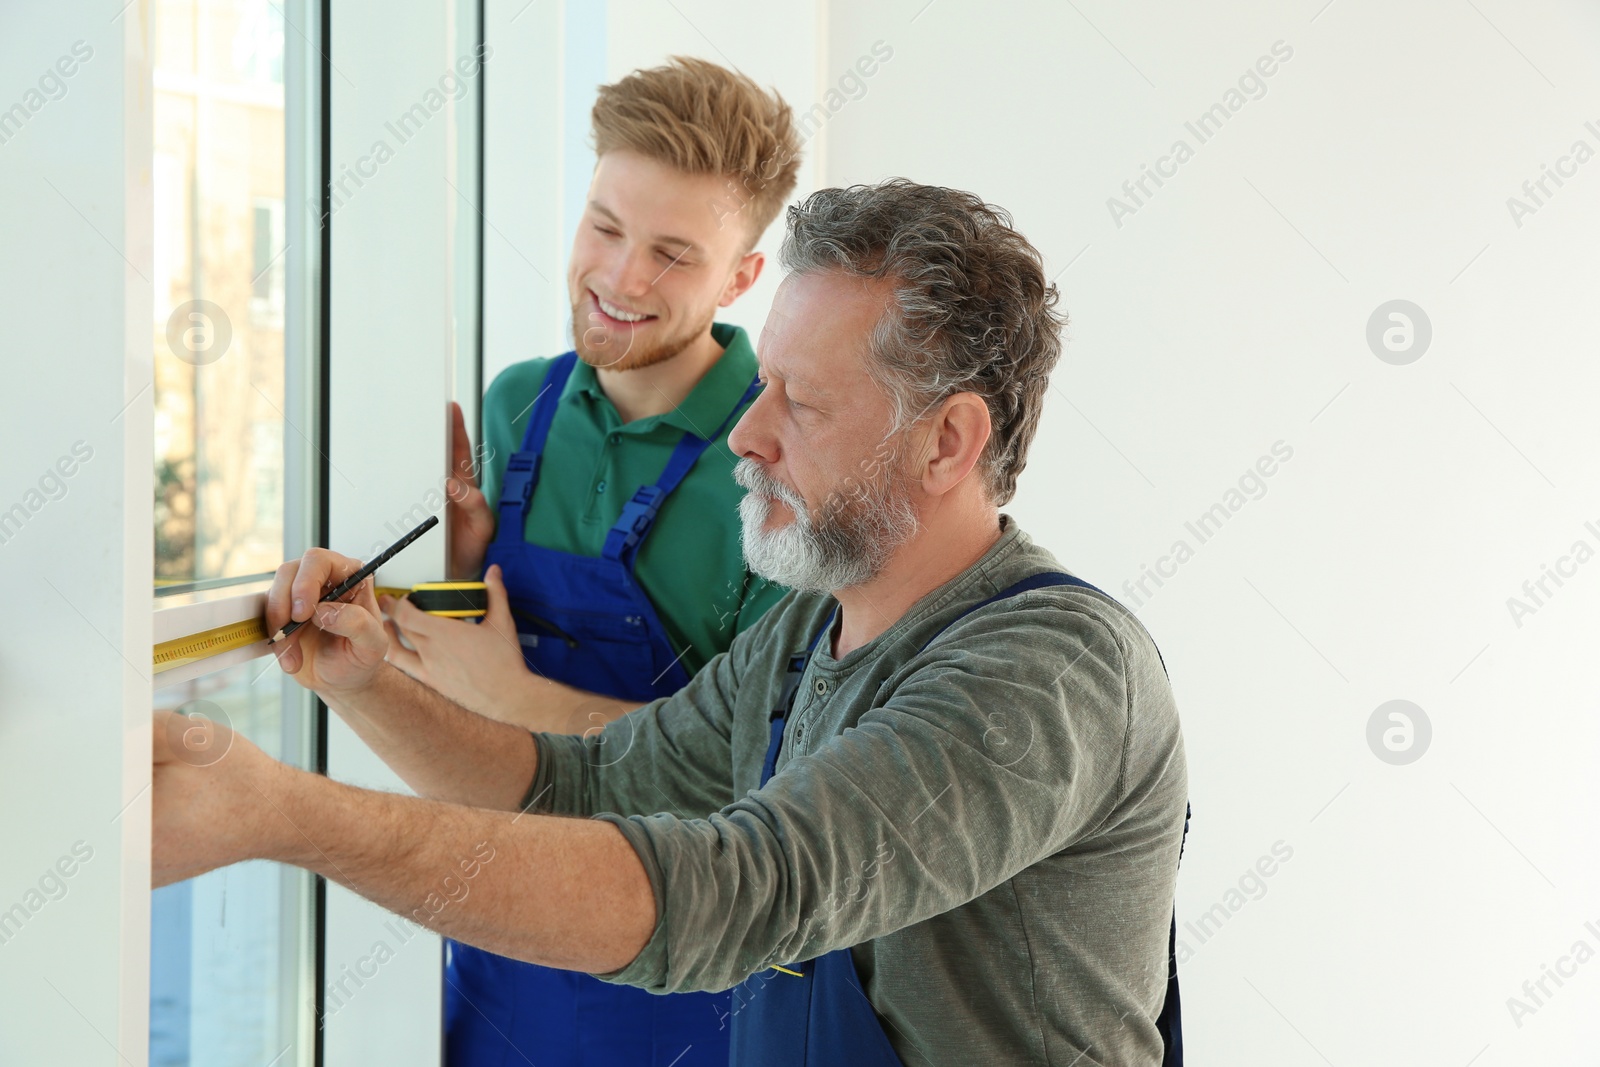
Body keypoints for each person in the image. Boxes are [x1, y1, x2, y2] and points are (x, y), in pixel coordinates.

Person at [153, 179, 1189, 1065]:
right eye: (762, 384)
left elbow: (741, 888)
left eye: (803, 402)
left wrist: (277, 813)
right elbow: (581, 786)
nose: (749, 430)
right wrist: (365, 682)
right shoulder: (803, 639)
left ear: (948, 440)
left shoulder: (1047, 671)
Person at [378, 57, 801, 1067]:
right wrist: (459, 566)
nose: (620, 279)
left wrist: (515, 694)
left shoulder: (779, 460)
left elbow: (771, 780)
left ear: (742, 277)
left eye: (672, 254)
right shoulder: (515, 402)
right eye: (605, 227)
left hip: (683, 980)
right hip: (497, 949)